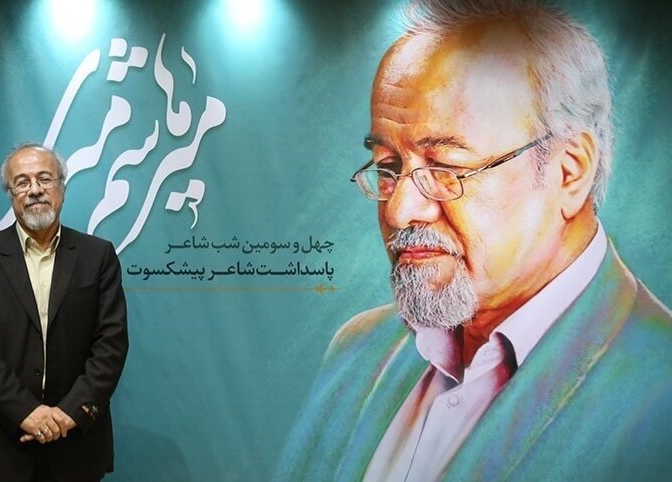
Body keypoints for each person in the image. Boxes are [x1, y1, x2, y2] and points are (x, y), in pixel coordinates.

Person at [276, 0, 671, 480]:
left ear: (570, 171)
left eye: (446, 168)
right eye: (387, 166)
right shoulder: (358, 351)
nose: (400, 210)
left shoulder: (657, 392)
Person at [0, 143, 129, 482]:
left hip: (75, 443)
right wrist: (25, 412)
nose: (34, 190)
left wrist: (69, 413)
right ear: (10, 194)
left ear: (62, 187)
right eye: (22, 182)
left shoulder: (98, 256)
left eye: (45, 179)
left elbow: (111, 344)